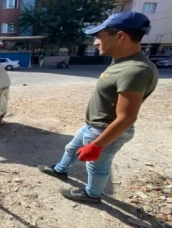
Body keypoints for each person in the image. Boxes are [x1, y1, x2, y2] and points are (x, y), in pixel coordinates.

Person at [38, 12, 159, 203]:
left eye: (99, 36)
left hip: (105, 130)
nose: (95, 42)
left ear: (120, 36)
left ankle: (92, 195)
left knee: (97, 167)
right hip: (93, 125)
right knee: (72, 148)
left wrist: (97, 145)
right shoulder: (122, 63)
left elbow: (127, 118)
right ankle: (60, 170)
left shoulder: (135, 70)